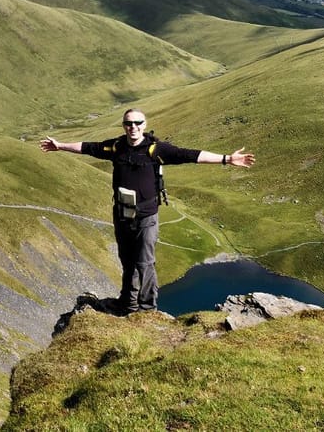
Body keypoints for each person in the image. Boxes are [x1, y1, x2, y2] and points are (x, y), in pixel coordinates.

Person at [39, 108, 255, 315]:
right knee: (127, 260)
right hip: (123, 214)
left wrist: (227, 159)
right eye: (128, 123)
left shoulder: (156, 149)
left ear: (144, 125)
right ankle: (127, 302)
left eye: (137, 123)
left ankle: (147, 308)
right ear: (124, 126)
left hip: (147, 216)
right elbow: (89, 147)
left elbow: (190, 155)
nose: (133, 127)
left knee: (145, 262)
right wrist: (60, 146)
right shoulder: (116, 147)